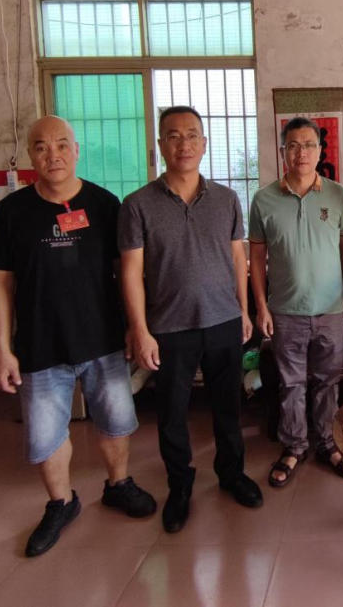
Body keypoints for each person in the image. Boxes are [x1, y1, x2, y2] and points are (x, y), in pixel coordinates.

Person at [0, 116, 156, 558]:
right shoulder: (12, 211)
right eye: (41, 146)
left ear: (76, 151)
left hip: (102, 338)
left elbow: (126, 273)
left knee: (115, 421)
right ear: (31, 155)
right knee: (45, 435)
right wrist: (1, 350)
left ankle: (118, 484)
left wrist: (135, 326)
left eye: (61, 145)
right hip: (40, 344)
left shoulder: (104, 204)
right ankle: (61, 503)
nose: (52, 154)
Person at [119, 106, 262, 535]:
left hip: (223, 320)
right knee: (172, 414)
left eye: (192, 135)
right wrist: (140, 330)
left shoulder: (226, 199)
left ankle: (232, 474)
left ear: (204, 143)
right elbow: (130, 272)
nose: (184, 144)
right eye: (174, 136)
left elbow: (238, 257)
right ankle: (179, 486)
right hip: (169, 327)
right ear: (161, 145)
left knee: (228, 407)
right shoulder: (137, 205)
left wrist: (243, 310)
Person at [249, 117, 343, 488]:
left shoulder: (338, 195)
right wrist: (261, 306)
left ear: (320, 150)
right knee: (291, 384)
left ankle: (328, 442)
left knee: (328, 382)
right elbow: (257, 257)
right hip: (285, 312)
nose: (301, 153)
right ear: (283, 151)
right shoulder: (263, 200)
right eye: (293, 145)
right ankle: (294, 445)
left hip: (330, 310)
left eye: (309, 145)